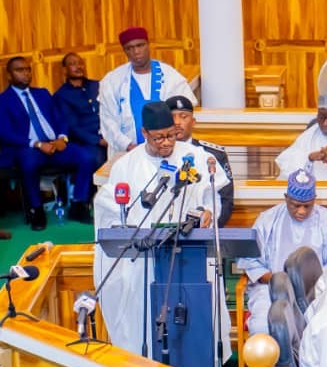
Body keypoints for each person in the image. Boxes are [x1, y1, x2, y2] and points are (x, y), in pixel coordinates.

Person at [93, 101, 225, 355]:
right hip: (146, 256)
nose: (166, 143)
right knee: (144, 314)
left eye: (171, 136)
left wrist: (209, 211)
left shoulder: (194, 156)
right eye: (158, 138)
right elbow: (107, 204)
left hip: (190, 251)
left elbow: (212, 196)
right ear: (144, 134)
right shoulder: (126, 166)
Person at [237, 169, 327, 335]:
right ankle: (272, 362)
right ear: (286, 198)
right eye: (296, 205)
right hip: (270, 289)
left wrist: (311, 283)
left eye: (307, 206)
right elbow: (251, 260)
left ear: (314, 200)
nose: (302, 211)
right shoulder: (267, 220)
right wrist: (280, 281)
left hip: (317, 292)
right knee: (263, 326)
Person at [0, 56, 97, 230]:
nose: (25, 73)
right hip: (28, 147)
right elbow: (5, 133)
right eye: (19, 70)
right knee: (28, 163)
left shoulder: (42, 93)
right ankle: (36, 210)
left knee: (87, 156)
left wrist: (62, 138)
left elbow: (61, 118)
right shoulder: (3, 100)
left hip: (55, 144)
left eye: (27, 69)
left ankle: (79, 205)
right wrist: (37, 144)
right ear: (9, 75)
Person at [99, 26, 196, 157]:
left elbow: (184, 115)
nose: (136, 51)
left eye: (140, 45)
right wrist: (128, 146)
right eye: (130, 48)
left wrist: (168, 143)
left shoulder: (170, 76)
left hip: (169, 151)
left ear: (148, 45)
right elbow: (108, 121)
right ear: (124, 51)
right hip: (128, 154)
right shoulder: (112, 81)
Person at [166, 95, 234, 227]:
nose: (177, 122)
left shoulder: (213, 154)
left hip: (201, 232)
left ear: (193, 121)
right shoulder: (159, 153)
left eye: (183, 116)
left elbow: (225, 200)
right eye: (172, 117)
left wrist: (208, 230)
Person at [52, 51, 108, 168]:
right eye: (73, 64)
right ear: (65, 70)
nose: (78, 67)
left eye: (80, 63)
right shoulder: (62, 95)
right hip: (88, 141)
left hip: (110, 133)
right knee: (96, 160)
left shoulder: (98, 85)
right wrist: (99, 141)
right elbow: (73, 128)